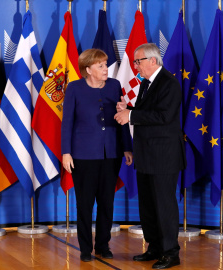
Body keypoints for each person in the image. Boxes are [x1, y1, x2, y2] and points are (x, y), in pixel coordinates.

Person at [114, 43, 186, 269]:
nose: (136, 66)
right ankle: (154, 247)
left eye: (138, 61)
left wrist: (131, 115)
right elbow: (148, 114)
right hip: (146, 155)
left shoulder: (169, 83)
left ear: (152, 61)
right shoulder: (147, 83)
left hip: (164, 157)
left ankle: (170, 253)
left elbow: (163, 116)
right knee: (148, 206)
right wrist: (128, 108)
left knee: (164, 206)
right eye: (135, 62)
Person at [61, 48, 133, 262]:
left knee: (106, 202)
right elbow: (67, 123)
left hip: (111, 153)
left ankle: (103, 245)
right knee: (84, 203)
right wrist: (66, 152)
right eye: (100, 65)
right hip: (83, 155)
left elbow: (122, 117)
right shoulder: (74, 88)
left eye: (105, 64)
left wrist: (126, 147)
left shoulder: (114, 85)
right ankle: (85, 248)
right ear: (88, 69)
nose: (105, 68)